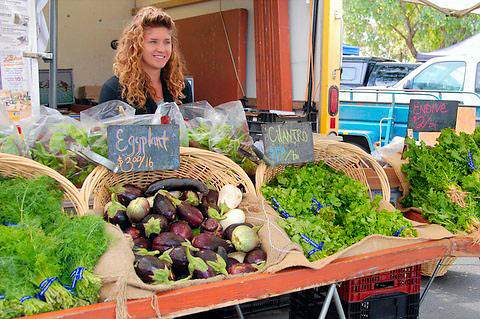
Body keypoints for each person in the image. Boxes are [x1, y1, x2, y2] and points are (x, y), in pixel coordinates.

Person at [99, 7, 192, 114]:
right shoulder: (114, 90)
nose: (161, 49)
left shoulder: (181, 88)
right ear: (136, 46)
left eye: (167, 42)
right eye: (153, 42)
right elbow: (104, 130)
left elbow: (190, 127)